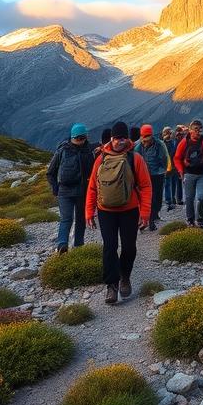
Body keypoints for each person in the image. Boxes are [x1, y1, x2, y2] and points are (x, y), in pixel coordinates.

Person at [86, 121, 152, 304]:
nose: (120, 141)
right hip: (105, 210)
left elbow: (146, 186)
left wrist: (145, 213)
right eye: (117, 138)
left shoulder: (135, 158)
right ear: (112, 139)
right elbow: (92, 187)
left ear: (127, 139)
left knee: (129, 247)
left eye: (123, 138)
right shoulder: (101, 158)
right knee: (109, 247)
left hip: (129, 210)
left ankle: (125, 276)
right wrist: (88, 212)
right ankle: (112, 286)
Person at [46, 123, 95, 254]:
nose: (81, 141)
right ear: (73, 137)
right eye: (79, 138)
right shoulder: (87, 151)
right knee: (76, 220)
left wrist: (56, 188)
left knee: (69, 219)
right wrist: (56, 189)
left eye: (82, 138)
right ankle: (70, 245)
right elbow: (50, 172)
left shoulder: (63, 149)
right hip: (76, 191)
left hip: (71, 191)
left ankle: (64, 245)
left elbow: (50, 172)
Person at [174, 119, 203, 228]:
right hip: (188, 174)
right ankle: (190, 220)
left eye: (200, 130)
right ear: (190, 130)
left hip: (202, 174)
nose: (198, 132)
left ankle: (199, 219)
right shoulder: (184, 142)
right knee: (189, 198)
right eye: (196, 130)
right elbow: (177, 158)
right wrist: (181, 171)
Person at [135, 124, 171, 231]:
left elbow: (164, 159)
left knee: (157, 197)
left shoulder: (160, 145)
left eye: (147, 138)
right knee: (149, 198)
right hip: (145, 176)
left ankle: (154, 215)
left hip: (157, 175)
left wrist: (163, 170)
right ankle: (149, 220)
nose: (145, 142)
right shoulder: (138, 147)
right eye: (143, 138)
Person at [161, 126, 178, 211]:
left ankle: (169, 200)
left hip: (168, 166)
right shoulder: (172, 143)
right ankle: (171, 199)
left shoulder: (162, 143)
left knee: (169, 184)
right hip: (171, 166)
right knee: (171, 183)